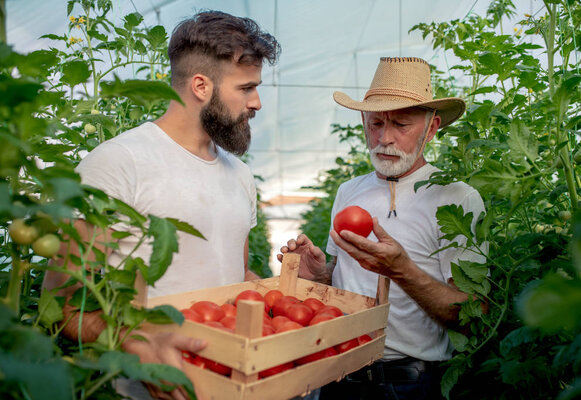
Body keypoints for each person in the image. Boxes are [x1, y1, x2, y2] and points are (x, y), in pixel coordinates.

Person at [42, 10, 280, 400]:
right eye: (246, 88)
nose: (256, 103)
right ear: (201, 85)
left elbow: (230, 275)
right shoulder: (120, 163)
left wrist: (292, 290)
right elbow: (64, 303)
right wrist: (137, 346)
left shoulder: (240, 175)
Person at [278, 57, 487, 400]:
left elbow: (473, 314)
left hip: (407, 383)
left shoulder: (457, 198)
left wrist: (401, 270)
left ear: (431, 128)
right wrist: (318, 276)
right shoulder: (349, 191)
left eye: (401, 125)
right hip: (338, 373)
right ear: (363, 121)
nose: (384, 138)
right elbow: (342, 279)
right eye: (375, 123)